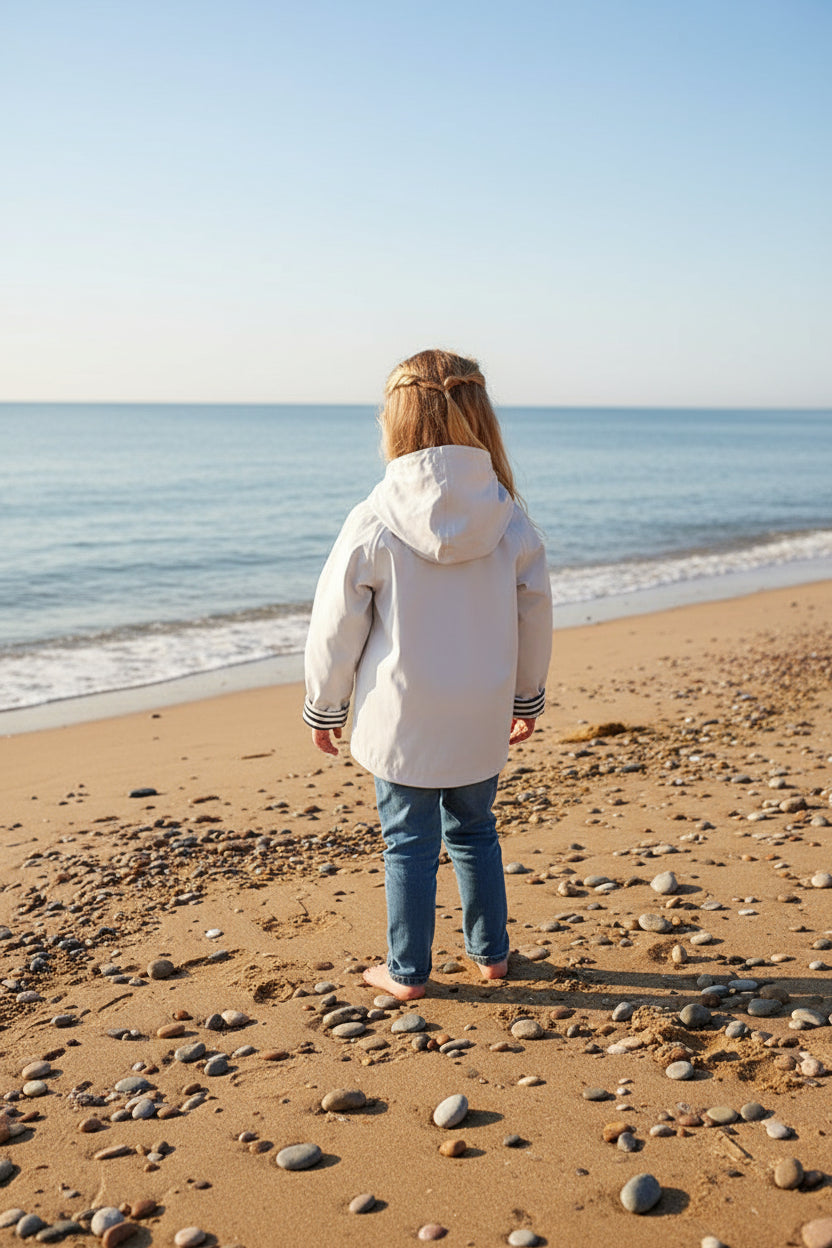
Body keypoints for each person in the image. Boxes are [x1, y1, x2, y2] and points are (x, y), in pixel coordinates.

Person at [302, 348, 553, 1001]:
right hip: (480, 713)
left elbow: (337, 623)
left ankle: (408, 971)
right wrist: (528, 694)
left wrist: (325, 706)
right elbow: (535, 614)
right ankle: (491, 953)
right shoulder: (509, 517)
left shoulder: (375, 518)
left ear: (395, 422)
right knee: (474, 830)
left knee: (407, 842)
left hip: (402, 718)